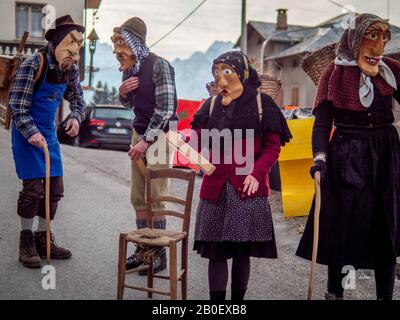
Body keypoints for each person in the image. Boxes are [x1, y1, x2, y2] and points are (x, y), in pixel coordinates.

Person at [296, 13, 400, 300]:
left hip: (384, 155)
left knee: (385, 225)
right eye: (372, 36)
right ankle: (337, 293)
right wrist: (320, 158)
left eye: (384, 37)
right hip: (346, 155)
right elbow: (321, 123)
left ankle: (384, 296)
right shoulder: (333, 73)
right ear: (355, 40)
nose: (379, 48)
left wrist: (383, 76)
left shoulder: (390, 70)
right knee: (343, 225)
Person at [189, 51, 292, 300]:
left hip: (246, 190)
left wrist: (257, 173)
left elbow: (272, 147)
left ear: (242, 73)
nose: (220, 79)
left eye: (227, 72)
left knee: (241, 252)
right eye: (217, 72)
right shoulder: (211, 104)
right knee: (216, 252)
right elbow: (199, 142)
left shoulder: (262, 104)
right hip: (215, 190)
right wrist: (187, 146)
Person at [8, 15, 86, 268]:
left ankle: (44, 239)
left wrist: (75, 117)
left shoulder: (70, 69)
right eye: (70, 45)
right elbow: (17, 105)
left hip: (48, 137)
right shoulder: (34, 64)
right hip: (25, 134)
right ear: (55, 43)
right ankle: (26, 241)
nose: (74, 54)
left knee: (54, 189)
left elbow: (78, 101)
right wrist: (31, 132)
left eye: (78, 48)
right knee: (33, 190)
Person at [111, 17, 178, 274]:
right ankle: (143, 251)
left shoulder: (159, 66)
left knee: (156, 196)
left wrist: (146, 140)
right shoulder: (131, 67)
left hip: (159, 136)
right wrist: (123, 93)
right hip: (139, 134)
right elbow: (131, 105)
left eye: (121, 43)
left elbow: (166, 109)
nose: (117, 51)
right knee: (138, 196)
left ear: (134, 42)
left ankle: (157, 254)